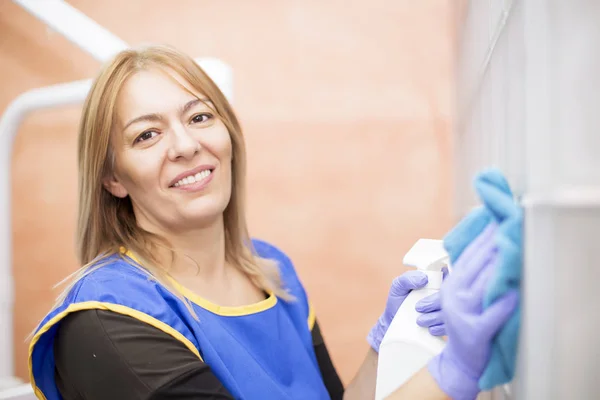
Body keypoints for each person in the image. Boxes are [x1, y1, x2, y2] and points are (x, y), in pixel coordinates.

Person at [28, 44, 515, 400]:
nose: (185, 145)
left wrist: (384, 343)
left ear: (228, 134)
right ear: (113, 177)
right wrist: (452, 373)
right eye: (147, 135)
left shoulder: (271, 272)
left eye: (199, 117)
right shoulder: (109, 322)